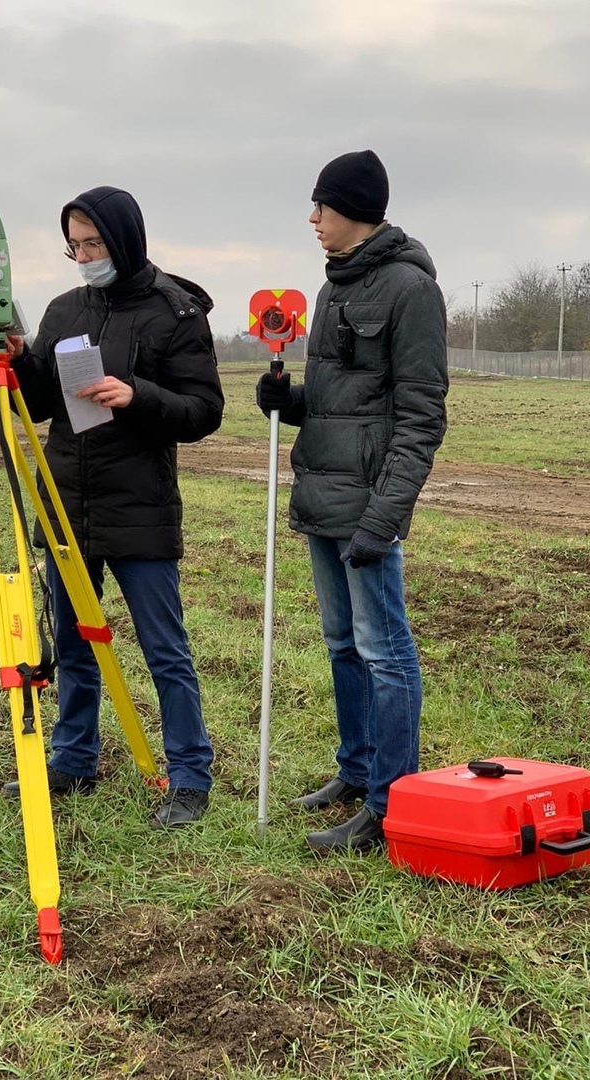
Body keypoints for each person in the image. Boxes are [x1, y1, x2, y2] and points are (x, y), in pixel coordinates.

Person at [4, 185, 224, 828]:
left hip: (139, 506)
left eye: (93, 243)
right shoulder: (64, 308)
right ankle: (74, 758)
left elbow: (203, 411)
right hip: (69, 503)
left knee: (165, 650)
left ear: (123, 239)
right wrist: (23, 365)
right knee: (72, 643)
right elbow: (43, 403)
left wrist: (138, 396)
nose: (83, 255)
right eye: (73, 245)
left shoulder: (175, 312)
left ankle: (188, 775)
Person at [256, 150, 448, 853]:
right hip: (322, 496)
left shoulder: (409, 289)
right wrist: (291, 402)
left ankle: (391, 805)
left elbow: (421, 415)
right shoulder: (334, 286)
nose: (313, 219)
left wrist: (385, 516)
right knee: (343, 646)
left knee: (384, 652)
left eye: (323, 208)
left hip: (368, 506)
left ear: (356, 211)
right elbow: (343, 404)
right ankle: (357, 773)